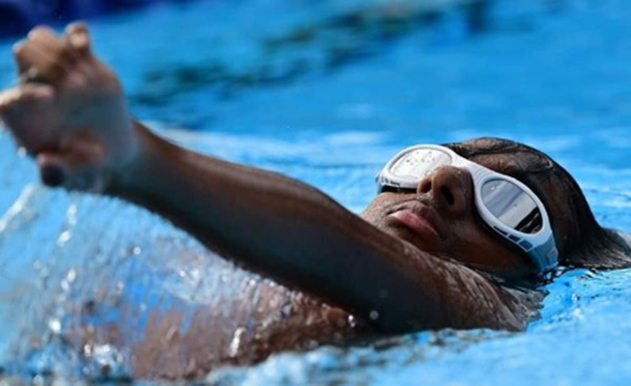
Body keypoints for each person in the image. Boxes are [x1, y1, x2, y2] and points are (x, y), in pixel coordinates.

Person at [0, 24, 629, 379]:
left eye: (512, 206)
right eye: (421, 163)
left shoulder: (490, 307)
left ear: (543, 270)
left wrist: (136, 157)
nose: (443, 185)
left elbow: (340, 248)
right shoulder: (228, 242)